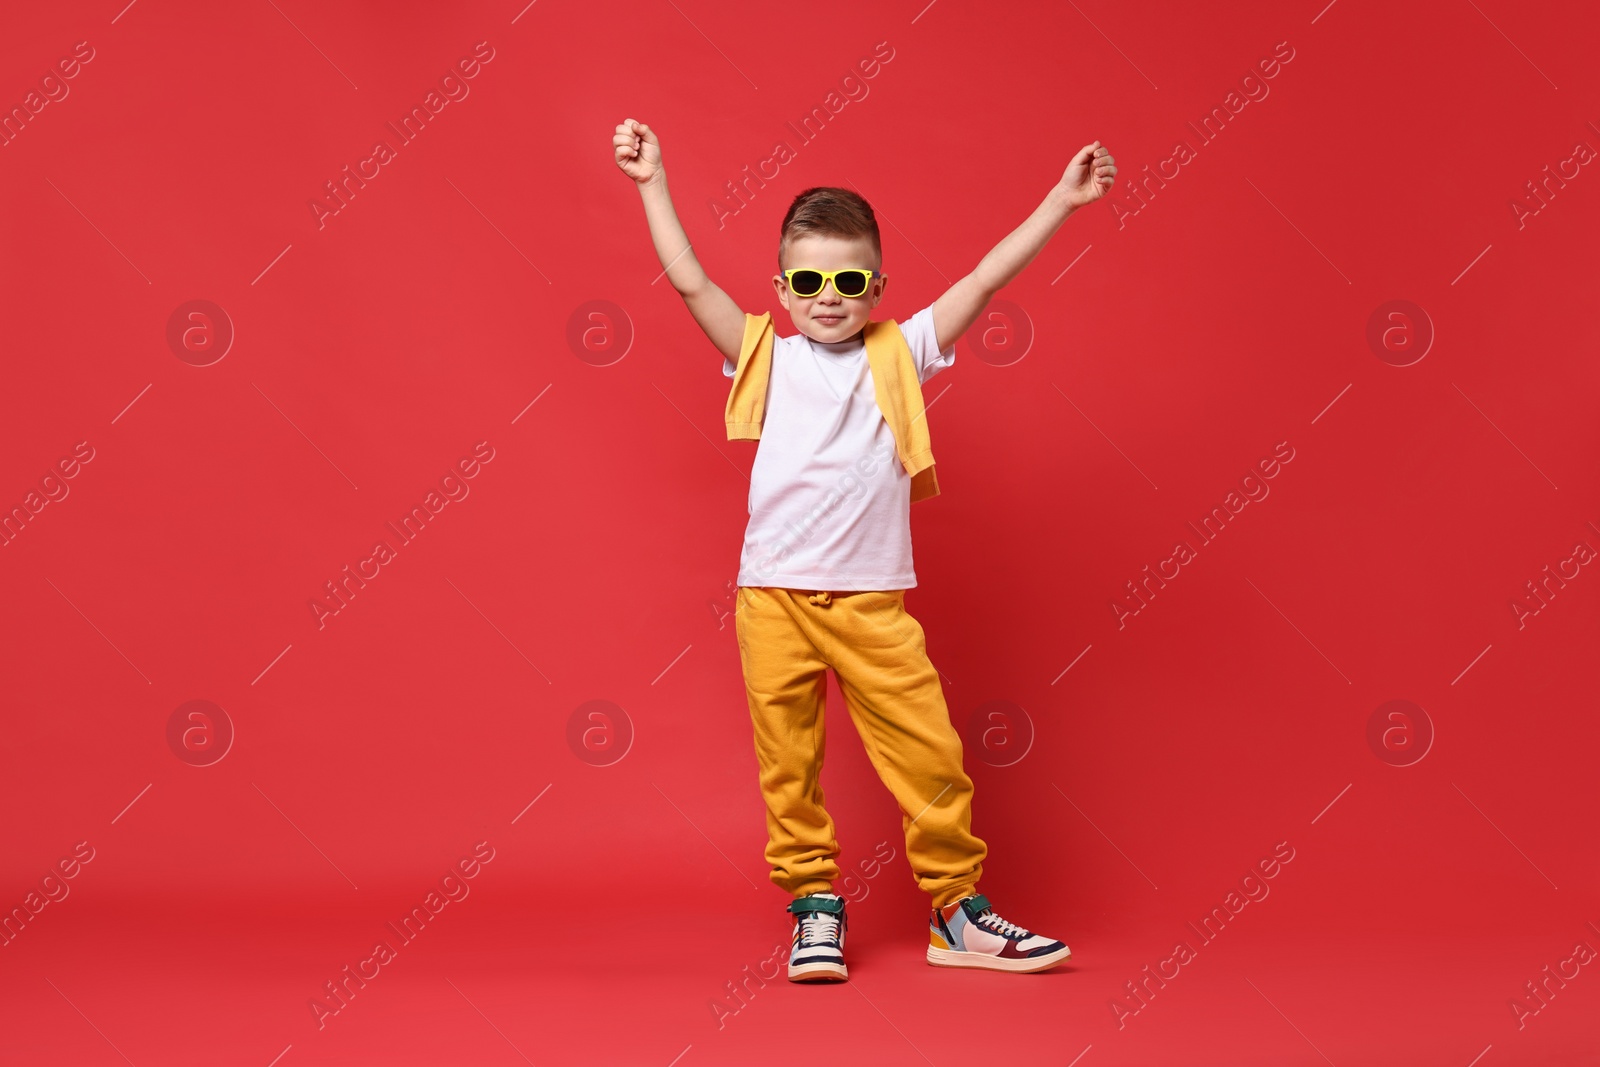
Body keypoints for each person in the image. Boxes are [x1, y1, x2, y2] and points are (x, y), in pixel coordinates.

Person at [613, 116, 1116, 981]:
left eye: (849, 278)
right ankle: (815, 909)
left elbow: (985, 279)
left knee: (930, 754)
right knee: (789, 766)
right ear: (782, 286)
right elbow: (691, 283)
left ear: (877, 285)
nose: (829, 293)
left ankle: (958, 913)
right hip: (772, 601)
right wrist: (653, 183)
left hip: (872, 603)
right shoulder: (765, 356)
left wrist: (1060, 204)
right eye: (808, 278)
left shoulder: (903, 350)